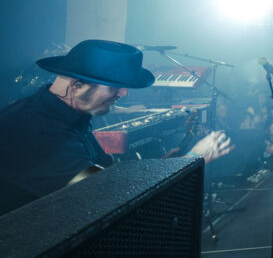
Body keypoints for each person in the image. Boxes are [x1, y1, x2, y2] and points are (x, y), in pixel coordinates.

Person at [0, 40, 234, 215]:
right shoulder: (37, 130)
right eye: (115, 87)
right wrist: (192, 159)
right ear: (78, 86)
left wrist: (164, 167)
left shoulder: (68, 115)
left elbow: (108, 176)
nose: (124, 94)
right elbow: (106, 199)